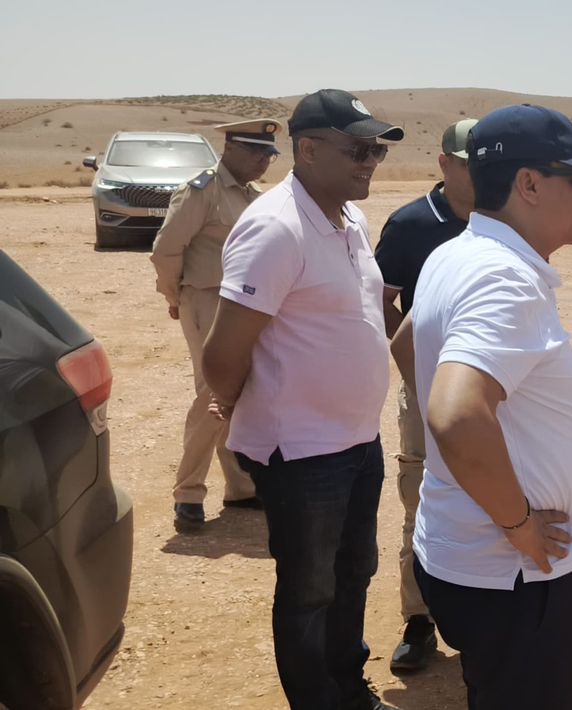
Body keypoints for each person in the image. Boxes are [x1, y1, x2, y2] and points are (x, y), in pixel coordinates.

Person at [399, 104, 572, 710]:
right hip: (510, 576)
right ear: (529, 184)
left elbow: (405, 344)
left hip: (470, 558)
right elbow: (455, 414)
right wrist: (518, 524)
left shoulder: (455, 254)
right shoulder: (503, 278)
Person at [201, 88, 404, 710]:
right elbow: (222, 353)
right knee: (310, 590)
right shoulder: (275, 228)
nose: (370, 162)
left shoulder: (350, 219)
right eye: (358, 150)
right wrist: (236, 403)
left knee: (354, 572)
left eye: (376, 151)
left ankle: (348, 687)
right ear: (309, 149)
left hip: (358, 440)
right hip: (301, 451)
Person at [373, 117, 477, 673]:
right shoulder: (411, 224)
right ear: (443, 163)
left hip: (487, 392)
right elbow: (380, 301)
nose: (478, 174)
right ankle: (419, 620)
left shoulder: (499, 219)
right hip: (425, 391)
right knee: (420, 500)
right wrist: (414, 365)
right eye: (467, 163)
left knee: (487, 495)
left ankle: (481, 614)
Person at [150, 118, 280, 533]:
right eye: (256, 152)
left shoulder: (254, 197)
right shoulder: (201, 191)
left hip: (243, 303)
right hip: (205, 298)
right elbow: (166, 250)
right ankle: (188, 493)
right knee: (213, 391)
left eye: (269, 154)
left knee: (239, 390)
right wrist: (175, 296)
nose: (264, 161)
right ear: (230, 148)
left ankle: (240, 487)